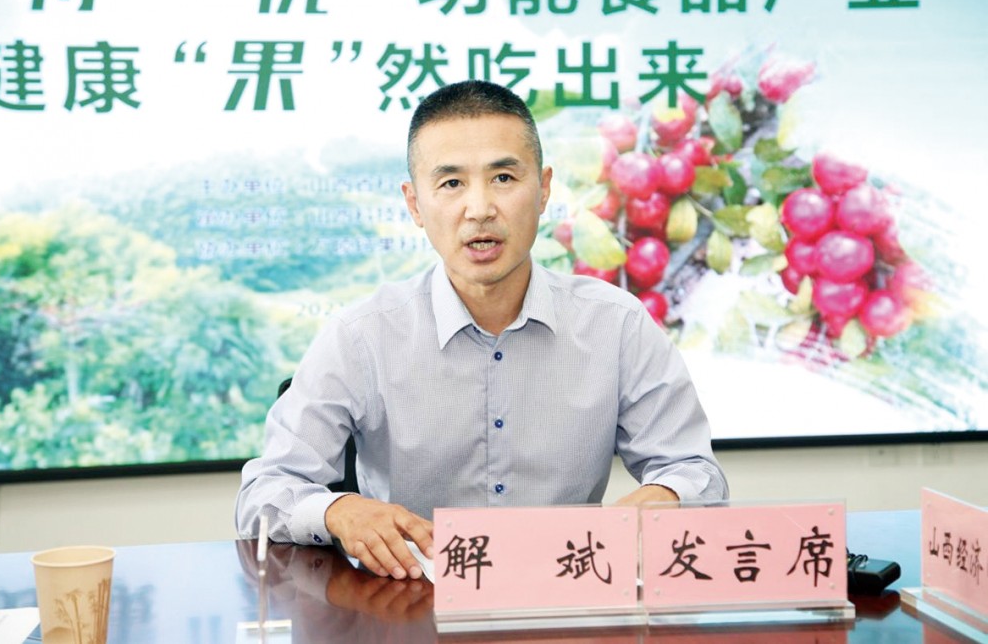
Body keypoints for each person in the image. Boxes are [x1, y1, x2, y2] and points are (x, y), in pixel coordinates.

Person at [236, 79, 728, 582]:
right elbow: (262, 496)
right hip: (408, 603)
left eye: (504, 178)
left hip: (567, 595)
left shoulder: (616, 324)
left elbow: (698, 474)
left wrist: (666, 496)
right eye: (451, 183)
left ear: (544, 189)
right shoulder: (361, 336)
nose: (480, 209)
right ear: (414, 204)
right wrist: (338, 511)